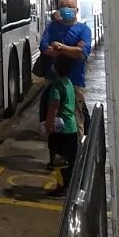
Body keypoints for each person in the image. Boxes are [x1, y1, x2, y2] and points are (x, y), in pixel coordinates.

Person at [38, 0, 92, 136]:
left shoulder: (84, 30)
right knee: (52, 118)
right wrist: (72, 49)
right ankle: (56, 152)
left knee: (76, 117)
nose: (66, 9)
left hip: (75, 82)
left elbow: (82, 54)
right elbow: (44, 47)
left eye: (70, 6)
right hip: (53, 80)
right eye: (63, 6)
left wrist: (59, 47)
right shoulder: (52, 27)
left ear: (77, 10)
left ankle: (77, 151)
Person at [44, 54, 79, 198]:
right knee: (68, 161)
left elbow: (54, 107)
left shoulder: (56, 87)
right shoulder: (69, 83)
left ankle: (61, 187)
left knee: (58, 161)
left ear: (56, 68)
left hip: (61, 131)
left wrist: (48, 125)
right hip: (72, 128)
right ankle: (67, 186)